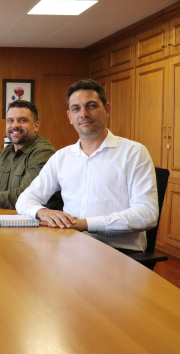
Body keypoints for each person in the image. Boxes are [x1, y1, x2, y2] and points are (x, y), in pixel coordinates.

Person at [16, 80, 158, 252]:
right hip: (71, 246)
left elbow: (147, 214)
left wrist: (85, 224)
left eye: (91, 106)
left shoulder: (134, 153)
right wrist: (42, 212)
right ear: (70, 117)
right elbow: (24, 200)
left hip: (119, 252)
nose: (83, 113)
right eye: (76, 108)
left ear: (107, 110)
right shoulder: (61, 157)